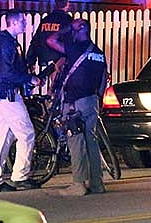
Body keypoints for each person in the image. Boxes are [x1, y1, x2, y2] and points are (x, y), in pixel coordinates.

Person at [46, 18, 108, 196]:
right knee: (92, 142)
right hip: (92, 102)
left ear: (80, 29)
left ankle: (79, 184)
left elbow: (50, 40)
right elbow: (104, 79)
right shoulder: (99, 53)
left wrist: (66, 28)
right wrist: (99, 100)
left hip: (75, 103)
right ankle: (97, 184)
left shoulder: (74, 49)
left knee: (76, 142)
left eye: (75, 27)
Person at [0, 9, 43, 192]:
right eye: (22, 21)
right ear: (13, 23)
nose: (25, 23)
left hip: (1, 95)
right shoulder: (7, 44)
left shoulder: (5, 42)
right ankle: (20, 176)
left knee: (4, 137)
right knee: (27, 133)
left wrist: (27, 76)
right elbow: (7, 72)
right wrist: (28, 79)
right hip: (9, 95)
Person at [26, 0, 73, 88]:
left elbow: (35, 41)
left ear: (55, 4)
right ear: (67, 4)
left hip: (45, 58)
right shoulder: (68, 20)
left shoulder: (46, 20)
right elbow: (71, 42)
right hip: (59, 60)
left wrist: (31, 61)